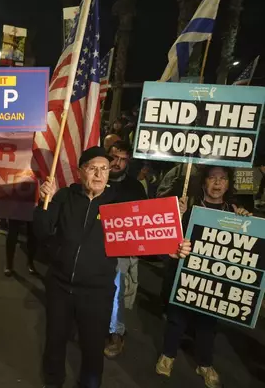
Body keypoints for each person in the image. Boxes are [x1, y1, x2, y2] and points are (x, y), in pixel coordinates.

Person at [34, 146, 192, 388]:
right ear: (80, 171)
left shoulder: (118, 202)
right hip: (59, 286)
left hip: (97, 292)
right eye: (93, 168)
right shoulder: (65, 196)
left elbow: (143, 234)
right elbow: (42, 232)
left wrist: (170, 248)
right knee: (54, 341)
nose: (99, 174)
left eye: (104, 169)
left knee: (92, 347)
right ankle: (53, 382)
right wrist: (46, 202)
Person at [156, 166, 251, 388]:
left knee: (208, 325)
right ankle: (168, 355)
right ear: (204, 182)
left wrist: (248, 223)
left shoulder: (235, 212)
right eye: (212, 178)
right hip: (183, 276)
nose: (217, 184)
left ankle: (204, 363)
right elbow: (167, 239)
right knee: (176, 319)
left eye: (222, 179)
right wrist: (174, 215)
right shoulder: (189, 207)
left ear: (228, 184)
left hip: (214, 282)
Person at [103, 141, 147, 358]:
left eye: (122, 159)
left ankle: (116, 333)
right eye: (113, 157)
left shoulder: (135, 188)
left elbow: (146, 220)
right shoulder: (96, 179)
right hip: (92, 245)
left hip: (120, 250)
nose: (117, 163)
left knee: (115, 291)